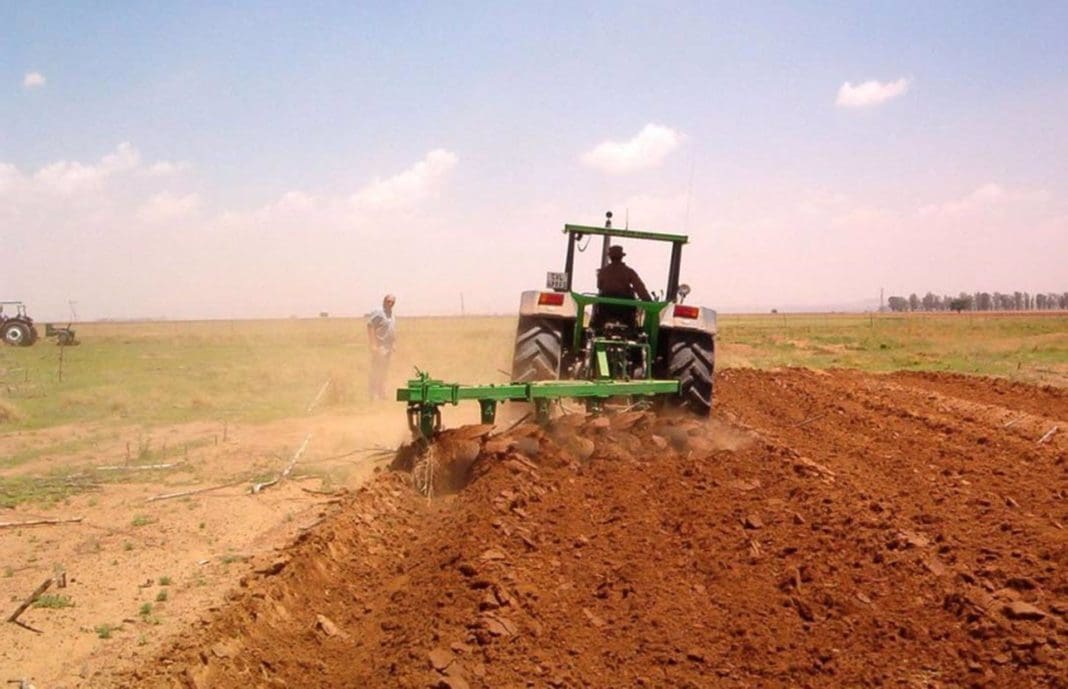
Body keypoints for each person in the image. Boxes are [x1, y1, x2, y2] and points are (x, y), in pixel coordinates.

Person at [594, 245, 651, 329]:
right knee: (633, 319)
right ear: (621, 257)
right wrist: (648, 301)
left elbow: (599, 286)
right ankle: (632, 329)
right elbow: (640, 288)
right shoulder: (629, 271)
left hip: (606, 308)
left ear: (610, 257)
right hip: (625, 309)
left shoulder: (602, 272)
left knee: (597, 308)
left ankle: (596, 328)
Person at [366, 294, 396, 400]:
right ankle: (373, 394)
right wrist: (373, 344)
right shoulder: (379, 312)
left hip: (388, 347)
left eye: (392, 302)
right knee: (376, 369)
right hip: (380, 346)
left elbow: (391, 329)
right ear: (384, 301)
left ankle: (381, 392)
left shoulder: (391, 314)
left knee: (384, 370)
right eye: (388, 301)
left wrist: (393, 343)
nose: (390, 303)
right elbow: (370, 326)